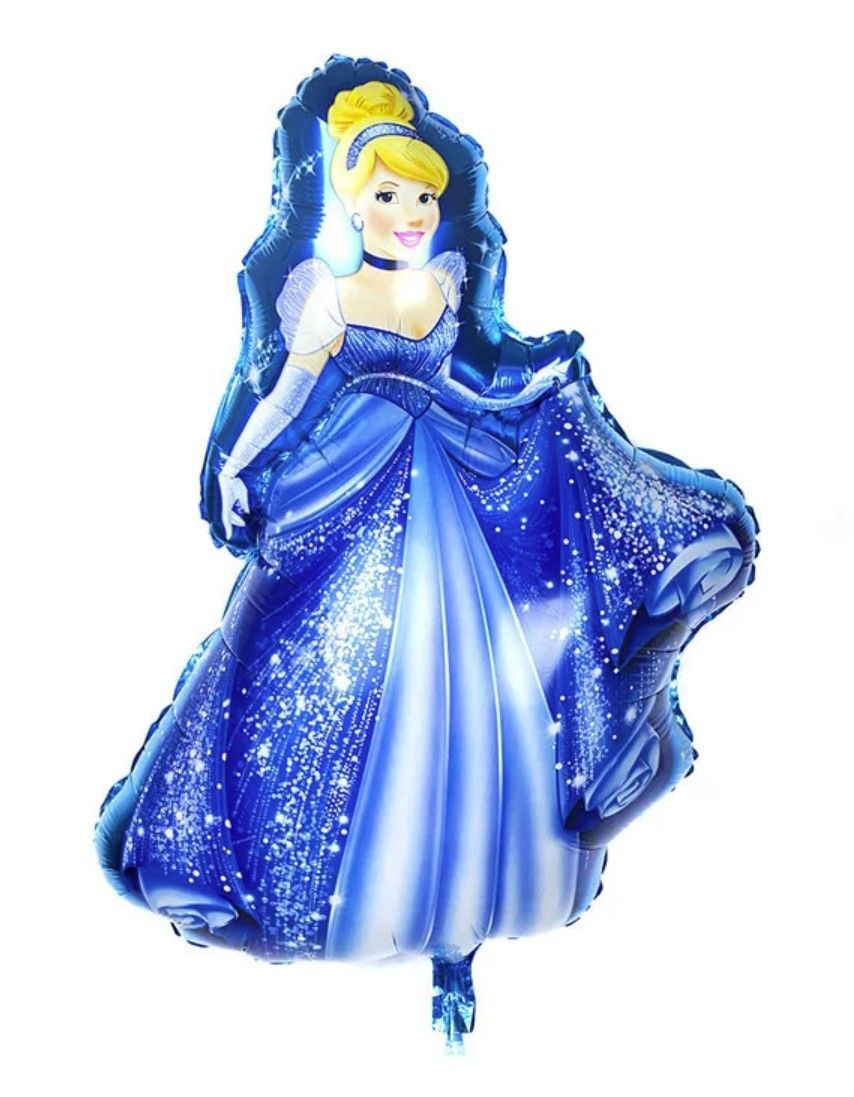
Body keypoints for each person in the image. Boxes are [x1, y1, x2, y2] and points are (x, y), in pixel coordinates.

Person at [94, 73, 758, 1051]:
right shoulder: (327, 297)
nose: (409, 212)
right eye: (387, 194)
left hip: (451, 474)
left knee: (475, 688)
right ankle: (335, 878)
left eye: (423, 195)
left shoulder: (440, 283)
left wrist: (536, 383)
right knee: (307, 675)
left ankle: (469, 903)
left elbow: (472, 376)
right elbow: (283, 399)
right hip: (354, 485)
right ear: (352, 202)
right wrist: (235, 466)